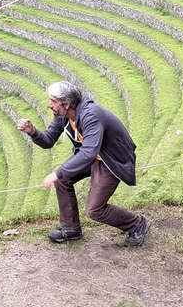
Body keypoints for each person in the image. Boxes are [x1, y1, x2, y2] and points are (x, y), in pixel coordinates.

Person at [17, 81, 151, 246]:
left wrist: (57, 173)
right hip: (94, 154)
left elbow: (89, 152)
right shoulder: (63, 116)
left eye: (53, 101)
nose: (49, 105)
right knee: (62, 180)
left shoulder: (91, 115)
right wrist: (33, 132)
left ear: (66, 104)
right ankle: (71, 229)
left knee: (94, 210)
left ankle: (137, 223)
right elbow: (49, 140)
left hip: (111, 160)